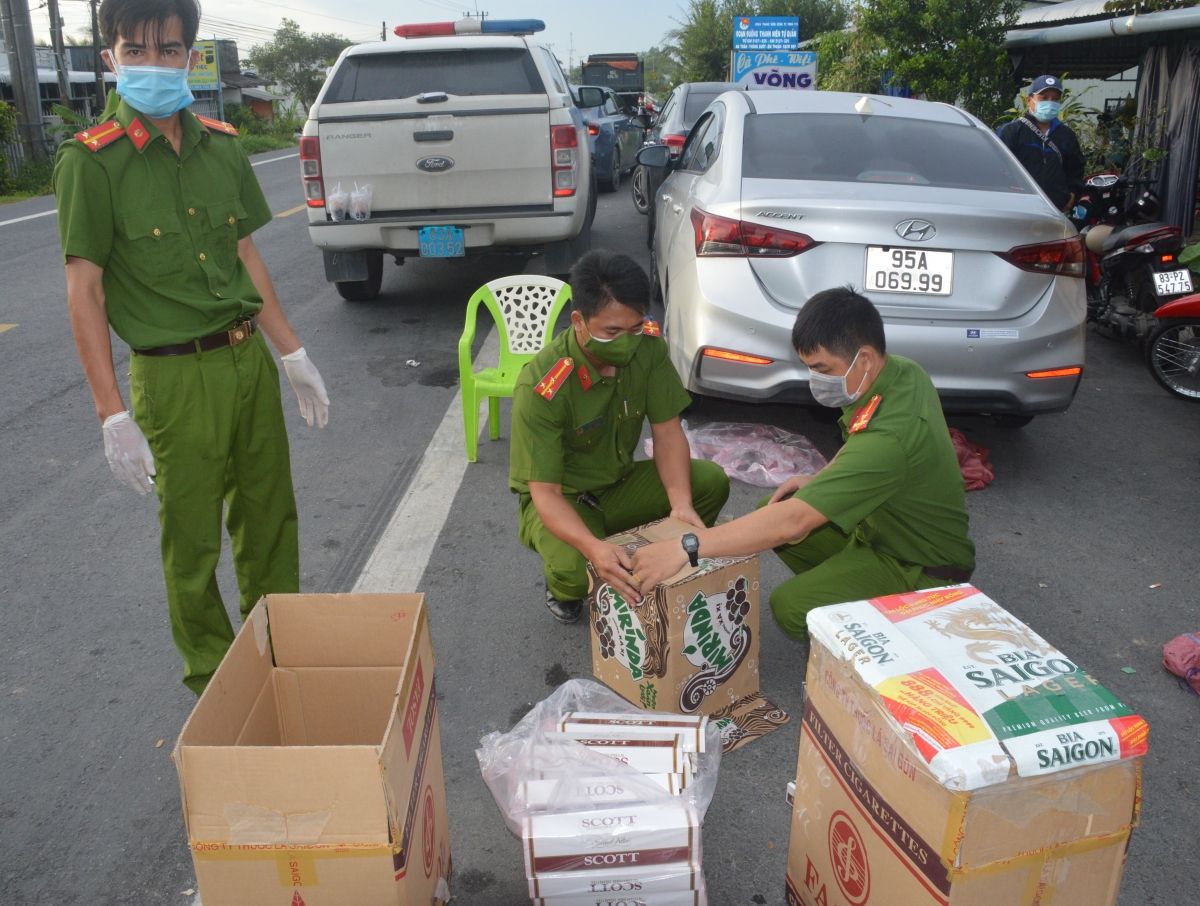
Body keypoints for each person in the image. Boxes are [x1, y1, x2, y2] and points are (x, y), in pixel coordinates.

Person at [53, 0, 330, 693]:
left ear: (191, 57)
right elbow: (83, 291)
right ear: (110, 58)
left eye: (169, 50)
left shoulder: (222, 145)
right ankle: (216, 683)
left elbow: (244, 255)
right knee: (193, 540)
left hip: (245, 361)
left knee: (271, 518)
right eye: (136, 51)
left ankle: (282, 658)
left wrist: (291, 354)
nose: (154, 64)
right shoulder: (91, 164)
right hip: (174, 378)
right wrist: (110, 412)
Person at [631, 287, 975, 640]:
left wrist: (684, 547)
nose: (816, 381)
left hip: (919, 570)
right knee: (775, 505)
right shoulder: (903, 373)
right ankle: (849, 592)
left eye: (823, 369)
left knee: (792, 605)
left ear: (866, 358)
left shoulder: (890, 440)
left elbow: (794, 523)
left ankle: (890, 639)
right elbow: (861, 438)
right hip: (881, 534)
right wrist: (822, 478)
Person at [508, 250, 730, 623]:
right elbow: (544, 493)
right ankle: (564, 585)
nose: (627, 342)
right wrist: (593, 548)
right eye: (612, 332)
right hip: (566, 499)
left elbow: (668, 433)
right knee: (579, 574)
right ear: (579, 321)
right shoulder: (543, 385)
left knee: (708, 482)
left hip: (618, 485)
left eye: (635, 328)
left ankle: (660, 552)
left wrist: (679, 504)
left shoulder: (649, 350)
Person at [997, 74, 1085, 214]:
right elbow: (996, 167)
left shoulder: (1067, 135)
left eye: (1055, 99)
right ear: (1029, 100)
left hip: (1056, 210)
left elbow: (1076, 170)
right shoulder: (1011, 132)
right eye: (1044, 98)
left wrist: (1072, 195)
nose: (1050, 103)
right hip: (1017, 210)